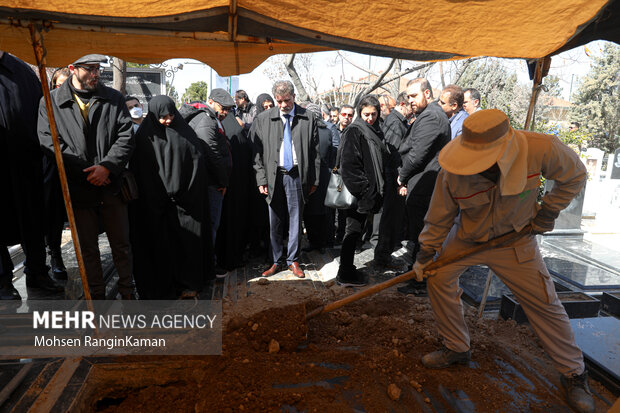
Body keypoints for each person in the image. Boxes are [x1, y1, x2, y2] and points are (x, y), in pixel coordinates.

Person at [413, 109, 594, 413]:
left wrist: (548, 213)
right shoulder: (452, 170)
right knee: (438, 278)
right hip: (467, 238)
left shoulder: (541, 148)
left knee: (544, 303)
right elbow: (439, 216)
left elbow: (575, 175)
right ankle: (457, 347)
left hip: (516, 238)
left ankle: (574, 374)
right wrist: (424, 255)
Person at [38, 54, 136, 300]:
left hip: (111, 187)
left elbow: (125, 136)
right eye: (90, 69)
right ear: (72, 69)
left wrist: (107, 167)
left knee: (121, 246)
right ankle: (97, 298)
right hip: (79, 189)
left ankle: (127, 294)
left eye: (98, 69)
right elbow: (50, 143)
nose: (96, 74)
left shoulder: (113, 99)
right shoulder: (50, 102)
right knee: (87, 250)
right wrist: (86, 172)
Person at [129, 95, 212, 299]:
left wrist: (181, 190)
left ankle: (188, 283)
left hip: (185, 204)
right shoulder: (143, 137)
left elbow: (196, 162)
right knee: (159, 247)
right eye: (162, 117)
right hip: (154, 205)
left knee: (186, 246)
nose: (167, 121)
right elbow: (141, 171)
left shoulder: (184, 133)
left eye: (170, 116)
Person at [1, 51, 63, 300]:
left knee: (33, 221)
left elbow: (44, 113)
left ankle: (37, 272)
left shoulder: (23, 71)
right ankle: (3, 282)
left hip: (27, 162)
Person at [252, 80, 320, 279]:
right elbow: (257, 154)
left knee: (296, 219)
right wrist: (261, 179)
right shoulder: (264, 119)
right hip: (273, 177)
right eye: (279, 101)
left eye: (287, 100)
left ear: (294, 97)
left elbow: (315, 153)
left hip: (297, 176)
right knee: (275, 220)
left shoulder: (307, 117)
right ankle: (275, 260)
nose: (283, 105)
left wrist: (313, 180)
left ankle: (293, 260)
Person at [397, 78, 451, 295]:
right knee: (418, 234)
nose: (410, 100)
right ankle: (415, 273)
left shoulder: (431, 117)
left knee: (422, 235)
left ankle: (419, 280)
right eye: (408, 96)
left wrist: (401, 175)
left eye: (414, 96)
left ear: (427, 94)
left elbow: (417, 155)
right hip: (423, 182)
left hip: (426, 184)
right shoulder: (429, 115)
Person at [179, 88, 234, 275]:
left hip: (211, 181)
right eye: (223, 108)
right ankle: (209, 266)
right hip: (212, 183)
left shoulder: (211, 118)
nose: (225, 112)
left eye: (228, 109)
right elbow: (212, 153)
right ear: (211, 102)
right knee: (211, 225)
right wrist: (223, 181)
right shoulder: (206, 120)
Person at [337, 95, 389, 286]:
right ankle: (345, 273)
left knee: (356, 234)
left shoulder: (374, 129)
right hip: (358, 195)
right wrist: (365, 190)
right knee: (352, 233)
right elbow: (349, 166)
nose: (370, 118)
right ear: (360, 112)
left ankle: (348, 270)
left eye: (373, 114)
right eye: (366, 114)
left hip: (368, 195)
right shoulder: (355, 131)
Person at [374, 91, 412, 266]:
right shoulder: (395, 123)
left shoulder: (396, 121)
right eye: (410, 106)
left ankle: (385, 254)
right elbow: (394, 155)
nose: (412, 110)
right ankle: (383, 256)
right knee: (389, 219)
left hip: (393, 179)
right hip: (393, 180)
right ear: (403, 104)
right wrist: (400, 181)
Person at [44, 66, 71, 280]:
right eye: (57, 85)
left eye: (65, 85)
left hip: (77, 169)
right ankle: (55, 256)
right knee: (53, 217)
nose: (60, 89)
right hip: (53, 167)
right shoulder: (46, 103)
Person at [302, 103, 337, 253]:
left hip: (310, 175)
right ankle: (325, 241)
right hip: (325, 175)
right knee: (325, 210)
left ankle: (314, 241)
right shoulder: (327, 131)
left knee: (310, 212)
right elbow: (332, 155)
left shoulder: (306, 132)